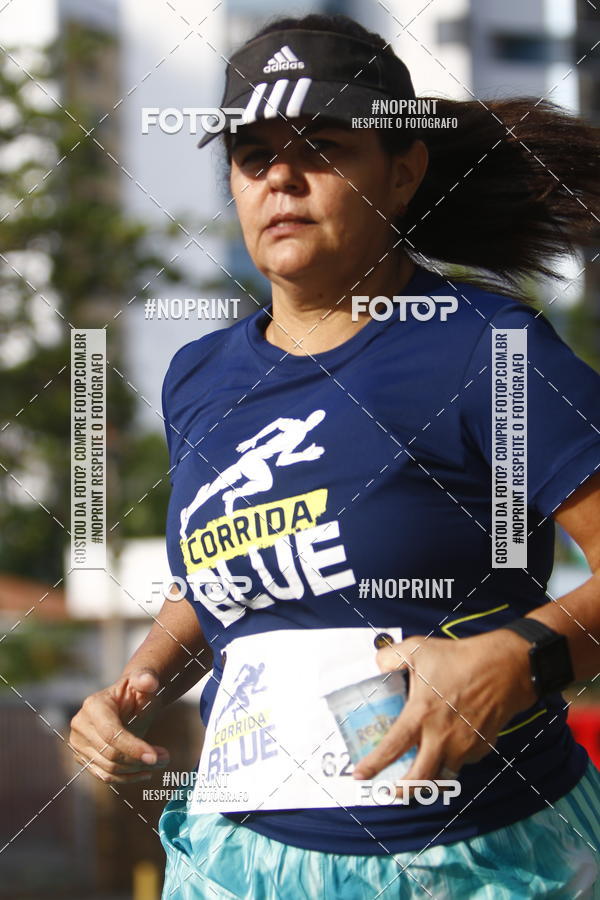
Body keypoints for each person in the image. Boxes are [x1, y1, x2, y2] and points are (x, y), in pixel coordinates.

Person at [69, 13, 600, 899]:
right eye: (251, 155)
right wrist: (140, 678)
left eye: (322, 146)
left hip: (475, 862)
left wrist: (524, 657)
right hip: (231, 863)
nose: (280, 175)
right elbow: (222, 582)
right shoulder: (199, 377)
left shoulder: (488, 350)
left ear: (402, 171)